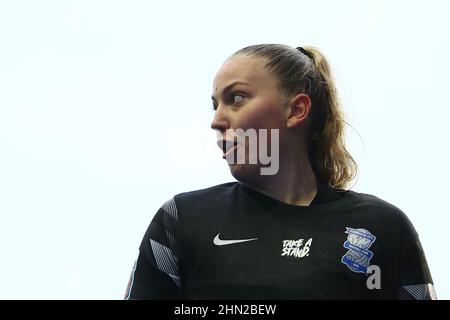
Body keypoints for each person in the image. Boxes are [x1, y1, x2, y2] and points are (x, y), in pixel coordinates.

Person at [124, 44, 436, 300]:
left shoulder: (382, 227)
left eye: (236, 98)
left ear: (296, 110)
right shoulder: (181, 219)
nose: (216, 121)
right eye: (215, 104)